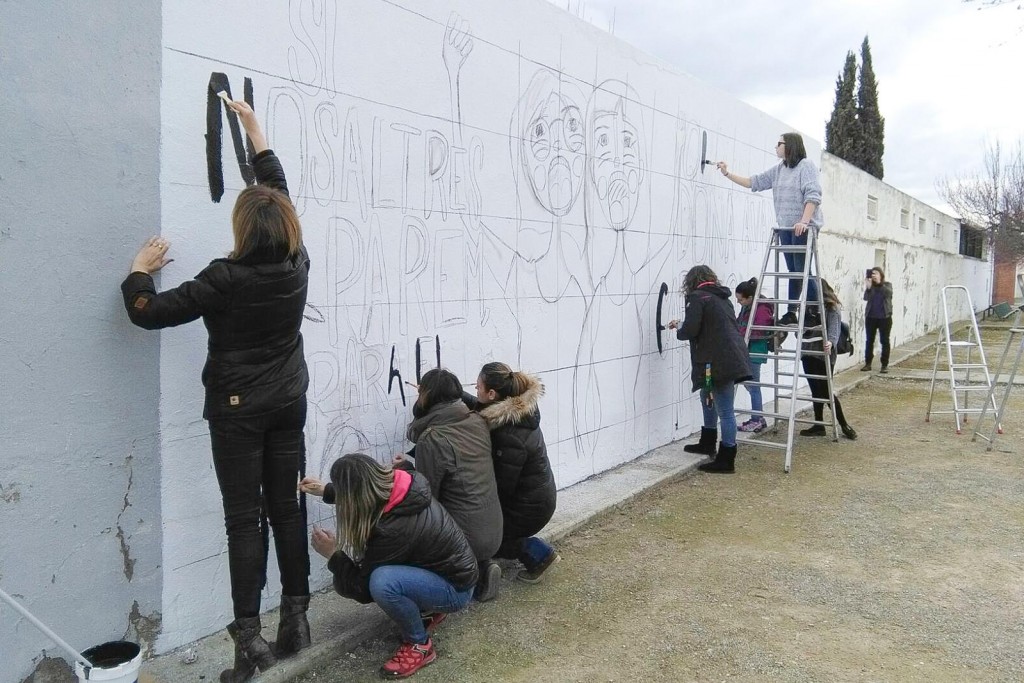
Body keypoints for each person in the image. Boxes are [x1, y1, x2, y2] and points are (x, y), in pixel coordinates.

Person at [120, 101, 310, 681]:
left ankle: (249, 636)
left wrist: (139, 268)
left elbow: (147, 312)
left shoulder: (223, 279)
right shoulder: (297, 261)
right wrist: (254, 130)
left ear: (243, 229)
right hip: (288, 401)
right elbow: (275, 190)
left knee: (242, 520)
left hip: (237, 411)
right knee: (286, 508)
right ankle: (296, 617)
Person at [300, 454, 477, 679]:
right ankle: (428, 610)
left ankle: (420, 645)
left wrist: (334, 555)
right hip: (449, 574)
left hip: (455, 591)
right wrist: (326, 490)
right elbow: (364, 490)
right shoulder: (403, 485)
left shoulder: (392, 529)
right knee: (386, 577)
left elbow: (363, 590)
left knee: (383, 582)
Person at [402, 369, 504, 601]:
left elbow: (427, 496)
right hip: (494, 529)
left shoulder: (433, 438)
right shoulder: (478, 421)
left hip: (466, 540)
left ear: (425, 397)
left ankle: (464, 580)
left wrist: (406, 471)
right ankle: (482, 566)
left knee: (413, 526)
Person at [463, 363, 560, 584]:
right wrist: (454, 394)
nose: (475, 391)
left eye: (477, 387)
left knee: (487, 538)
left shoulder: (510, 436)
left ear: (492, 394)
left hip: (531, 507)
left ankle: (539, 554)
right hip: (536, 497)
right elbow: (483, 409)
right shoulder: (518, 410)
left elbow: (503, 488)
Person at [717, 132, 823, 323]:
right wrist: (727, 173)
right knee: (793, 272)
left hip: (803, 228)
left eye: (779, 143)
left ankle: (816, 308)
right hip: (786, 228)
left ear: (789, 146)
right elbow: (753, 182)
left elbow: (813, 195)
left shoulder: (806, 166)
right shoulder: (779, 170)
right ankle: (792, 312)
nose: (776, 147)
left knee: (802, 271)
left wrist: (804, 222)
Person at [667, 265, 752, 474]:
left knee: (725, 410)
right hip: (727, 356)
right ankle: (708, 441)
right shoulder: (722, 297)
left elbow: (691, 330)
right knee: (707, 397)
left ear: (692, 281)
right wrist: (682, 325)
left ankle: (727, 458)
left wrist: (680, 328)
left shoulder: (697, 297)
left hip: (717, 361)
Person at [800, 279, 858, 440]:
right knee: (815, 390)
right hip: (808, 352)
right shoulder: (807, 306)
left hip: (823, 354)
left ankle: (844, 424)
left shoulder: (831, 307)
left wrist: (831, 341)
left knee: (826, 391)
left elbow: (835, 327)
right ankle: (819, 425)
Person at [734, 278, 774, 433]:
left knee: (753, 385)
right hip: (747, 348)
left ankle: (756, 419)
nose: (739, 302)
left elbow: (758, 330)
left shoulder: (761, 308)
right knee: (750, 385)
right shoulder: (748, 306)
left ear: (750, 298)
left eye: (740, 299)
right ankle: (758, 416)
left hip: (755, 350)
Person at [862, 267, 894, 373]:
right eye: (872, 274)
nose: (874, 276)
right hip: (871, 317)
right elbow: (866, 298)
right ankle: (868, 363)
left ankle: (884, 365)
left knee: (884, 341)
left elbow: (888, 294)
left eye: (876, 274)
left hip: (885, 318)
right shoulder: (871, 287)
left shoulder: (887, 285)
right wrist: (869, 287)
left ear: (881, 275)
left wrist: (879, 283)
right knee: (869, 340)